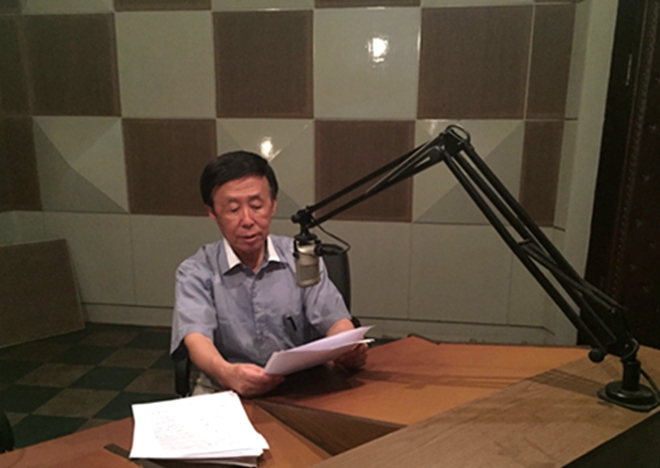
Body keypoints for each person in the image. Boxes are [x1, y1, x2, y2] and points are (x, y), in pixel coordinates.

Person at [170, 151, 367, 397]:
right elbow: (196, 338)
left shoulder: (300, 258)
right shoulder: (196, 271)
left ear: (273, 204)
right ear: (212, 212)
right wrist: (226, 372)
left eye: (256, 206)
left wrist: (347, 347)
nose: (247, 220)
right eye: (233, 209)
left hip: (299, 384)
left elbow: (335, 319)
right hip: (225, 385)